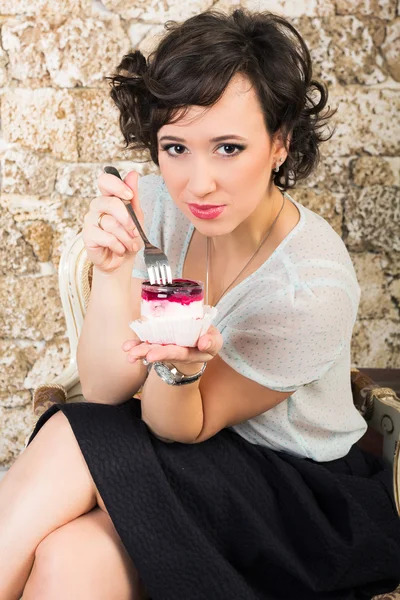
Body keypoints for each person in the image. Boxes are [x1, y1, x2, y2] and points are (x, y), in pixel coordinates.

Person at [0, 8, 399, 600]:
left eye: (229, 147)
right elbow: (108, 391)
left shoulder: (310, 285)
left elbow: (182, 424)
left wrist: (175, 370)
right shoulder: (159, 203)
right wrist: (113, 275)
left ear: (281, 143)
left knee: (72, 435)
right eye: (176, 147)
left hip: (292, 496)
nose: (198, 182)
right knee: (74, 556)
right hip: (183, 456)